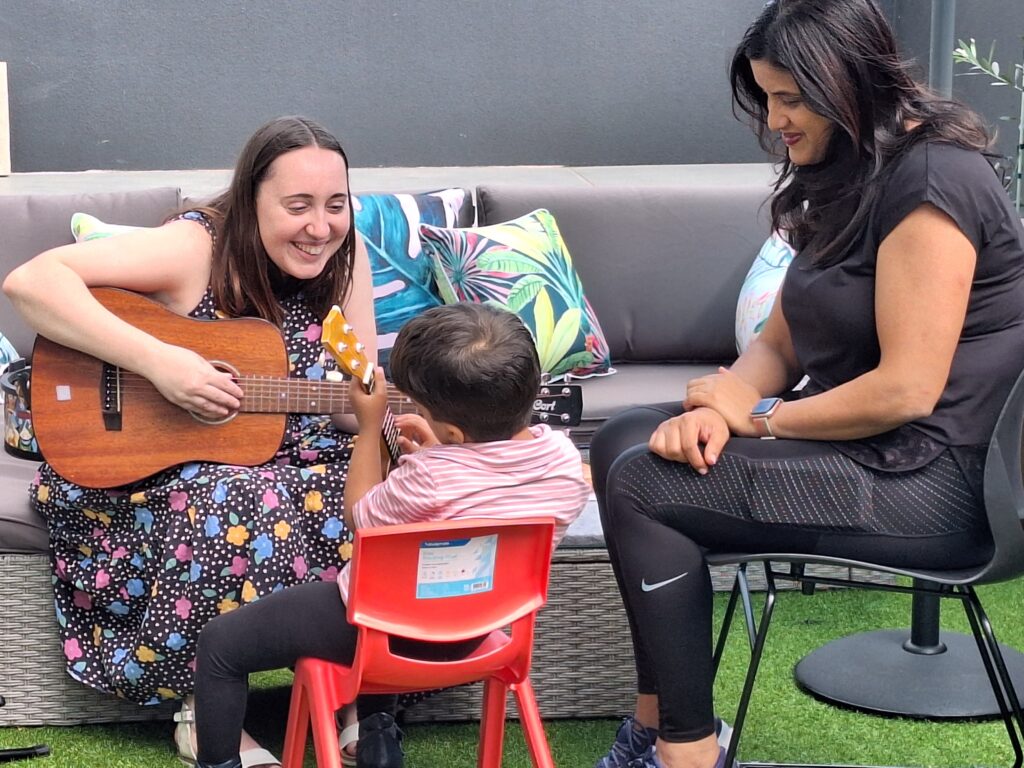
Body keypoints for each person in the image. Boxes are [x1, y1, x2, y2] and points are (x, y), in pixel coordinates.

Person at [589, 2, 1024, 768]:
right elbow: (782, 341)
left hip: (936, 484)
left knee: (646, 484)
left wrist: (756, 423)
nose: (774, 120)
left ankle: (683, 755)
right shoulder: (851, 174)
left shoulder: (932, 182)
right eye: (766, 98)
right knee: (622, 440)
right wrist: (724, 399)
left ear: (846, 82)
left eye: (789, 98)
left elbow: (905, 392)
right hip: (875, 456)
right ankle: (654, 728)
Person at [2, 116, 377, 765]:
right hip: (153, 475)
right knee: (241, 494)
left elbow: (351, 402)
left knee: (379, 488)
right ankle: (201, 707)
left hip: (295, 461)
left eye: (335, 205)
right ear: (250, 199)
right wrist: (159, 362)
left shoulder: (346, 257)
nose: (320, 227)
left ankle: (354, 689)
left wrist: (392, 419)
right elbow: (31, 283)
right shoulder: (196, 247)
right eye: (298, 206)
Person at [187, 301, 590, 768]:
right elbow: (488, 482)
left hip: (394, 635)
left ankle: (218, 761)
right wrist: (444, 450)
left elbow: (362, 517)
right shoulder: (563, 462)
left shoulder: (430, 479)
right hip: (483, 629)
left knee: (220, 644)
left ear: (456, 432)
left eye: (420, 406)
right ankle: (377, 736)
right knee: (401, 585)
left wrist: (367, 429)